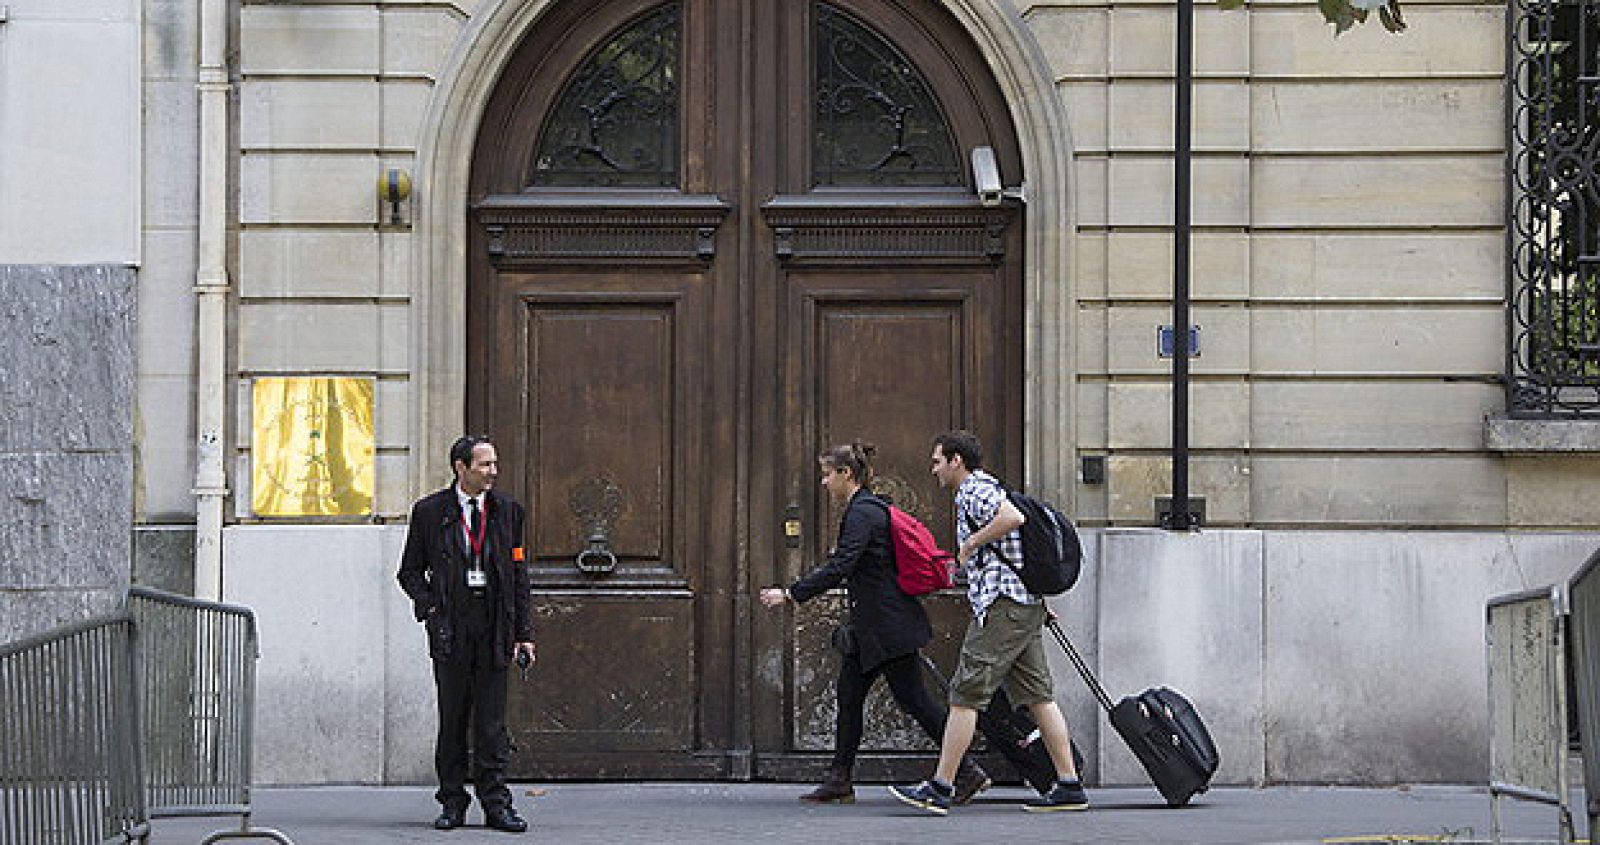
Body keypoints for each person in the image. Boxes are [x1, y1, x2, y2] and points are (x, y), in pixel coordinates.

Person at [760, 442, 989, 806]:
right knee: (850, 697)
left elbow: (842, 565)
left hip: (887, 628)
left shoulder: (863, 512)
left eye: (827, 474)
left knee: (916, 701)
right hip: (871, 628)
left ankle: (964, 771)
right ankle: (840, 778)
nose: (823, 482)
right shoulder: (866, 509)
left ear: (845, 474)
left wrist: (791, 594)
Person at [889, 430, 1088, 815]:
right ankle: (1068, 785)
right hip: (1020, 604)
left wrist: (970, 543)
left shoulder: (973, 490)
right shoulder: (987, 486)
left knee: (965, 694)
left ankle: (941, 787)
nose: (934, 470)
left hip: (1001, 608)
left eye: (937, 462)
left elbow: (1013, 518)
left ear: (955, 461)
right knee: (1038, 697)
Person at [398, 435, 537, 833]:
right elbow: (409, 572)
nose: (493, 472)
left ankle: (496, 804)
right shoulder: (429, 512)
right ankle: (452, 802)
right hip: (451, 630)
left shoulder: (508, 512)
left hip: (494, 628)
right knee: (453, 719)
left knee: (492, 724)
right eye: (485, 465)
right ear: (461, 467)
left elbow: (518, 575)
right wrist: (432, 608)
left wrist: (523, 632)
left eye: (494, 464)